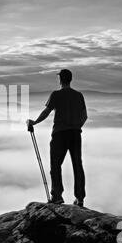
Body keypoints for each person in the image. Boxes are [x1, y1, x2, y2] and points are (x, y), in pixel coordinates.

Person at [27, 69, 88, 207]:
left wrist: (34, 122)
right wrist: (76, 126)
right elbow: (84, 116)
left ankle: (57, 196)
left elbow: (46, 112)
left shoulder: (56, 95)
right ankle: (80, 198)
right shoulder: (79, 96)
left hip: (60, 134)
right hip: (75, 134)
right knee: (77, 165)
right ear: (70, 79)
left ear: (60, 79)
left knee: (55, 165)